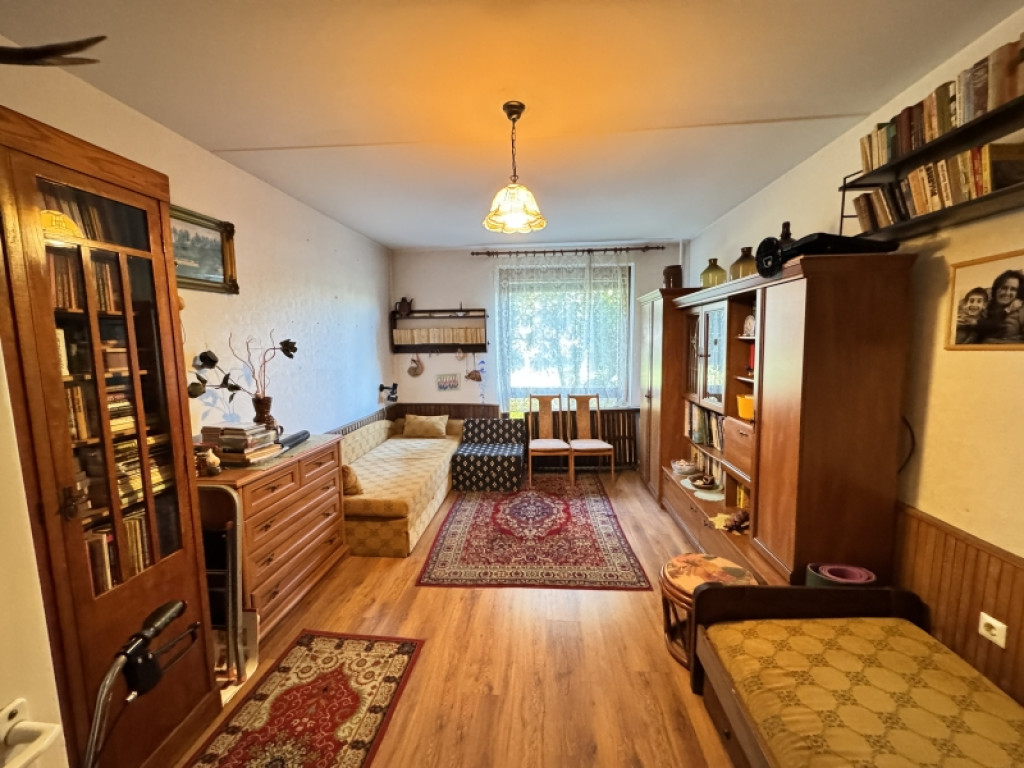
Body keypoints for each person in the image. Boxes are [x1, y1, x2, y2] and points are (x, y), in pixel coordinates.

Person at [974, 269, 1024, 343]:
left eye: (1013, 289)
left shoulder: (1021, 310)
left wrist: (990, 342)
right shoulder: (984, 306)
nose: (1007, 293)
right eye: (1004, 288)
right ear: (996, 289)